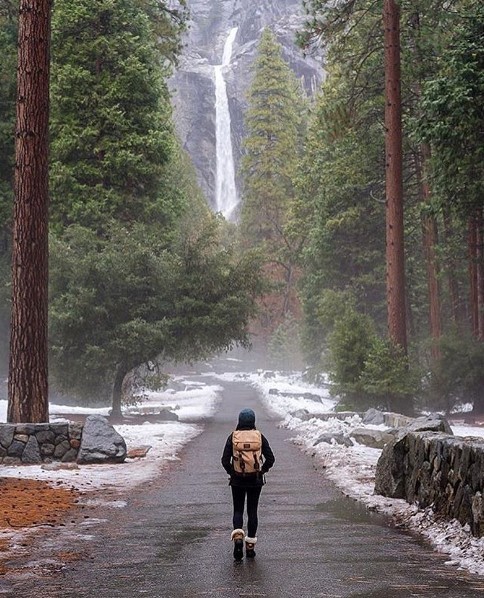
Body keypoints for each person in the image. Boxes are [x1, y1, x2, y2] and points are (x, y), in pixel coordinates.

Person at [221, 408, 275, 561]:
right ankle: (250, 547)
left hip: (237, 480)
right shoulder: (259, 437)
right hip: (255, 480)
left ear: (239, 421)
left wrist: (232, 473)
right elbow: (271, 458)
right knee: (252, 511)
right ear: (253, 421)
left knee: (238, 509)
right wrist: (262, 471)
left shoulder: (233, 437)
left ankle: (238, 537)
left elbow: (224, 460)